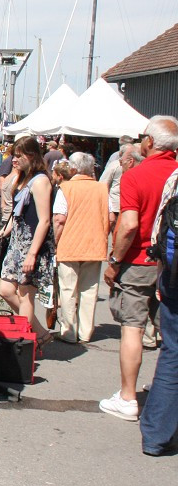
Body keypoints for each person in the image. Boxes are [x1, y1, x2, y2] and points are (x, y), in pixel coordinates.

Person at [99, 115, 178, 421]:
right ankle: (164, 389)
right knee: (168, 330)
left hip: (138, 260)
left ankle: (128, 396)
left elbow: (129, 225)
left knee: (132, 327)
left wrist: (115, 261)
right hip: (170, 263)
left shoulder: (137, 175)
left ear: (149, 141)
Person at [0, 136, 56, 346]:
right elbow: (16, 217)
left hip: (33, 246)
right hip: (17, 244)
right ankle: (39, 332)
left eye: (18, 156)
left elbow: (44, 221)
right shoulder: (22, 179)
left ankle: (24, 343)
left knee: (25, 296)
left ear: (31, 156)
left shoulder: (40, 181)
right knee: (5, 290)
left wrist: (32, 253)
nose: (14, 160)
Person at [52, 152, 110, 344]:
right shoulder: (102, 188)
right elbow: (110, 217)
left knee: (68, 289)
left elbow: (59, 219)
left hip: (69, 244)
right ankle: (86, 332)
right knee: (89, 290)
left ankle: (69, 331)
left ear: (73, 168)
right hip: (94, 245)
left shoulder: (66, 188)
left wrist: (55, 242)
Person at [140, 165, 178, 456]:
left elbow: (159, 229)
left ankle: (154, 435)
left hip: (173, 277)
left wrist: (162, 273)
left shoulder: (175, 177)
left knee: (172, 354)